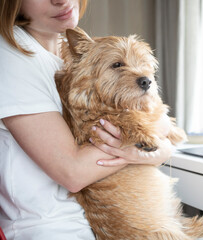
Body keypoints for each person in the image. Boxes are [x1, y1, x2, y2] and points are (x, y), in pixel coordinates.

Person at [0, 0, 173, 239]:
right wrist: (153, 132)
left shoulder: (75, 52)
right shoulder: (11, 57)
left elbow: (159, 146)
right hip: (53, 230)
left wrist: (148, 144)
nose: (60, 0)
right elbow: (74, 173)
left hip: (95, 225)